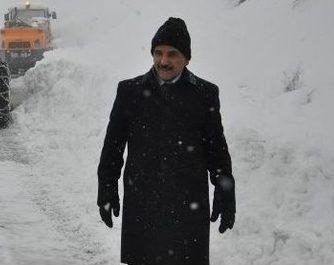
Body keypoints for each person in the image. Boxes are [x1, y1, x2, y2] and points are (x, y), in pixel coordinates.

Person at [97, 17, 235, 265]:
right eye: (158, 53)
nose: (164, 61)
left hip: (188, 204)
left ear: (187, 58)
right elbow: (113, 146)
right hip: (143, 201)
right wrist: (107, 185)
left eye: (172, 54)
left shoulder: (204, 94)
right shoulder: (130, 92)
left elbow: (216, 148)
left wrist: (225, 189)